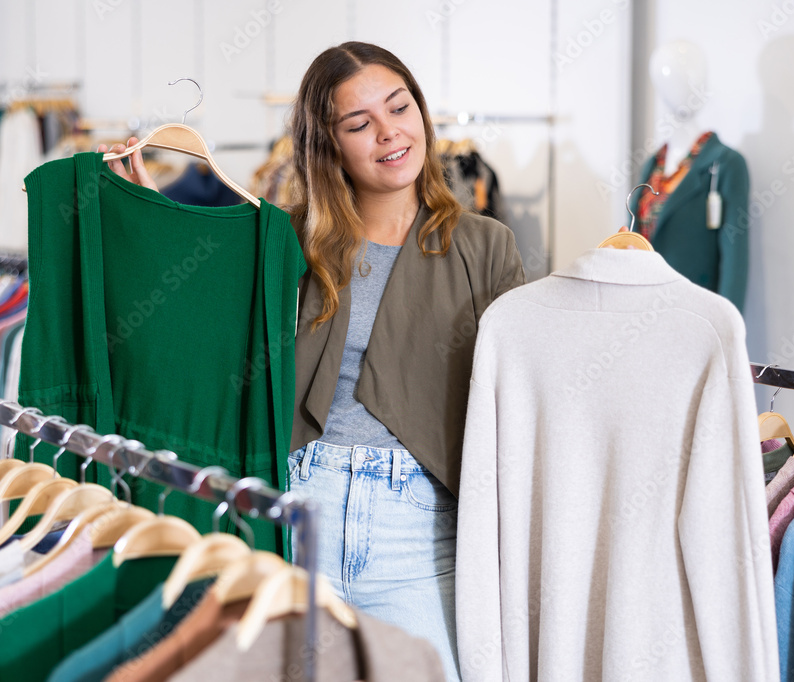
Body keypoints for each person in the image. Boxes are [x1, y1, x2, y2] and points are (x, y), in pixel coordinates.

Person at [101, 41, 526, 681]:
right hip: (298, 509)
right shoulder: (283, 240)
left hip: (420, 534)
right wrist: (136, 210)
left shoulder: (485, 246)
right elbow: (186, 331)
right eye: (359, 124)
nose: (389, 133)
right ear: (328, 145)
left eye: (399, 108)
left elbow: (518, 393)